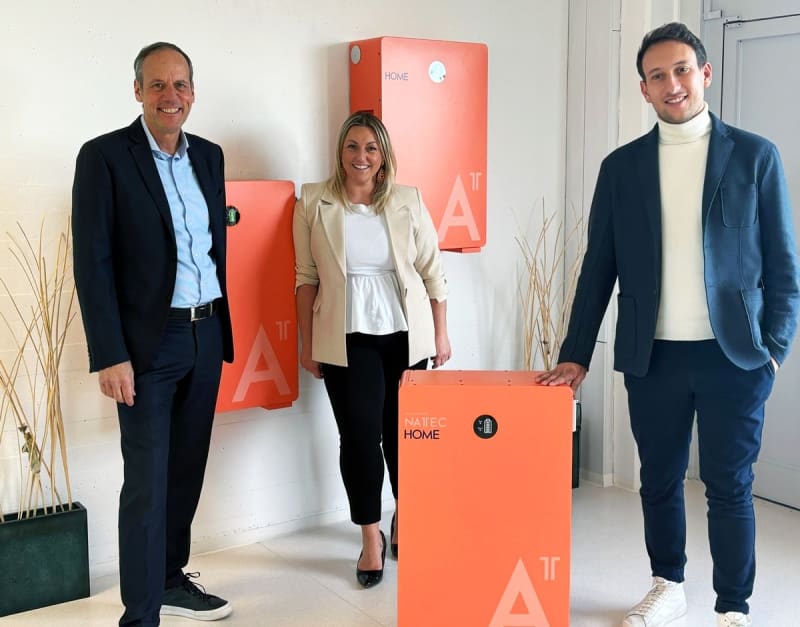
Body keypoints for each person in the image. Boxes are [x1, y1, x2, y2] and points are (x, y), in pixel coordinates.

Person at [537, 22, 799, 627]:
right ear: (644, 89)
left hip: (735, 356)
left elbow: (784, 264)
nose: (672, 84)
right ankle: (667, 583)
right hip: (651, 355)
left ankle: (733, 606)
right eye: (658, 75)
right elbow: (597, 266)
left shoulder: (755, 156)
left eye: (682, 70)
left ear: (705, 74)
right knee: (657, 479)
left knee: (730, 486)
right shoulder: (621, 168)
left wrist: (775, 349)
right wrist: (576, 353)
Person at [72, 42, 234, 626]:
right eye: (159, 85)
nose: (172, 97)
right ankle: (140, 616)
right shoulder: (105, 157)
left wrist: (215, 332)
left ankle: (170, 580)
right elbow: (92, 263)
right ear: (137, 90)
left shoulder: (210, 157)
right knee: (146, 480)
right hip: (147, 347)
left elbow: (212, 249)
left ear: (193, 91)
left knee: (186, 470)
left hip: (206, 333)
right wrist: (110, 354)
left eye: (181, 85)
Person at [293, 111, 451, 588]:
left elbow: (432, 271)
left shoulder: (407, 201)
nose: (361, 157)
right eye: (352, 147)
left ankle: (406, 516)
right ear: (340, 153)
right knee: (361, 440)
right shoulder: (313, 201)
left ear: (383, 158)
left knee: (405, 437)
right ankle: (370, 537)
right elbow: (305, 278)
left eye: (371, 149)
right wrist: (306, 343)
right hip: (346, 337)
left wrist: (441, 334)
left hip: (406, 334)